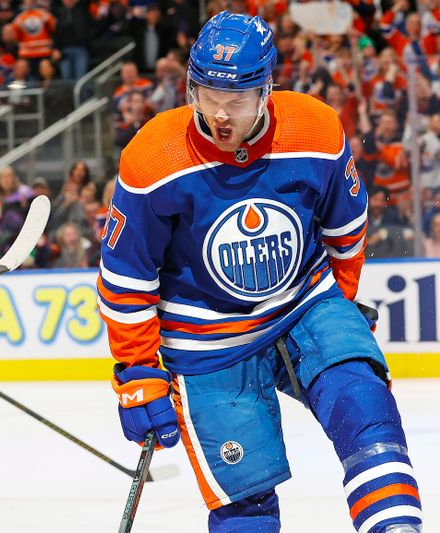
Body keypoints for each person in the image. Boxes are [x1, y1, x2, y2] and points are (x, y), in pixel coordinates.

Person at [98, 12, 422, 533]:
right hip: (206, 340)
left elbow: (347, 228)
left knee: (367, 410)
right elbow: (127, 279)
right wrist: (136, 373)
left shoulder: (314, 128)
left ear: (267, 90)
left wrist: (339, 306)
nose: (221, 115)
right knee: (244, 503)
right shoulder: (154, 158)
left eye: (238, 100)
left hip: (304, 305)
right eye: (208, 96)